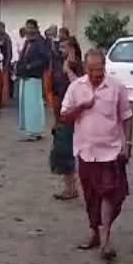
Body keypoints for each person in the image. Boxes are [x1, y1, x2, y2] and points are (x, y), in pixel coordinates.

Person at [60, 48, 133, 262]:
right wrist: (81, 106)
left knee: (111, 195)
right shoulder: (76, 88)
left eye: (100, 70)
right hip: (86, 151)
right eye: (92, 70)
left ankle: (105, 237)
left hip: (111, 151)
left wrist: (127, 144)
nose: (96, 74)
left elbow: (127, 117)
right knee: (91, 196)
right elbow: (65, 117)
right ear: (85, 68)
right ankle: (96, 232)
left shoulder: (116, 87)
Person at [50, 36, 83, 201]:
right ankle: (69, 187)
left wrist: (68, 70)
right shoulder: (59, 63)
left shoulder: (78, 66)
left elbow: (79, 87)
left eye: (64, 48)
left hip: (74, 113)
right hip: (61, 111)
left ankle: (73, 188)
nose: (61, 51)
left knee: (68, 150)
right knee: (63, 150)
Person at [16, 22, 50, 142]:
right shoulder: (27, 41)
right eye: (27, 27)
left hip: (34, 76)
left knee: (34, 105)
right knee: (26, 105)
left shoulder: (40, 42)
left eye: (31, 28)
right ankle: (30, 130)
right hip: (25, 76)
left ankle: (35, 131)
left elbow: (45, 59)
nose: (28, 30)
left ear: (36, 29)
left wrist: (30, 67)